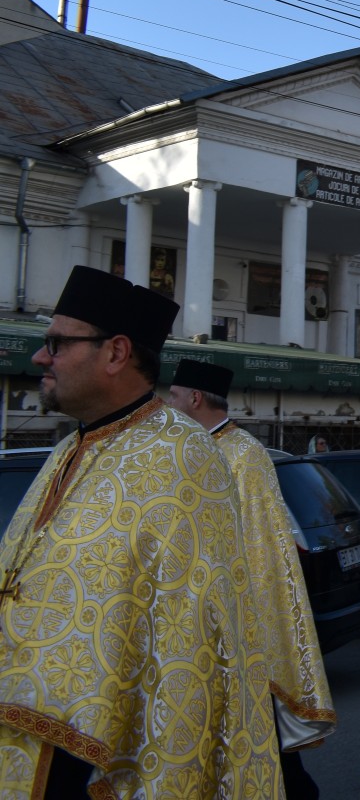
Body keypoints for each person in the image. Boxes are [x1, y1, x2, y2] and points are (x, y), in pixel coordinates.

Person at [0, 266, 280, 796]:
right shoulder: (68, 449)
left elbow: (188, 639)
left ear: (115, 352)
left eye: (57, 343)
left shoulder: (181, 453)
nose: (39, 357)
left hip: (92, 751)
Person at [168, 358, 334, 799]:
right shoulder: (196, 446)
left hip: (236, 612)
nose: (169, 404)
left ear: (195, 398)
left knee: (260, 724)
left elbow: (259, 544)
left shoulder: (244, 454)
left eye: (174, 396)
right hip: (199, 607)